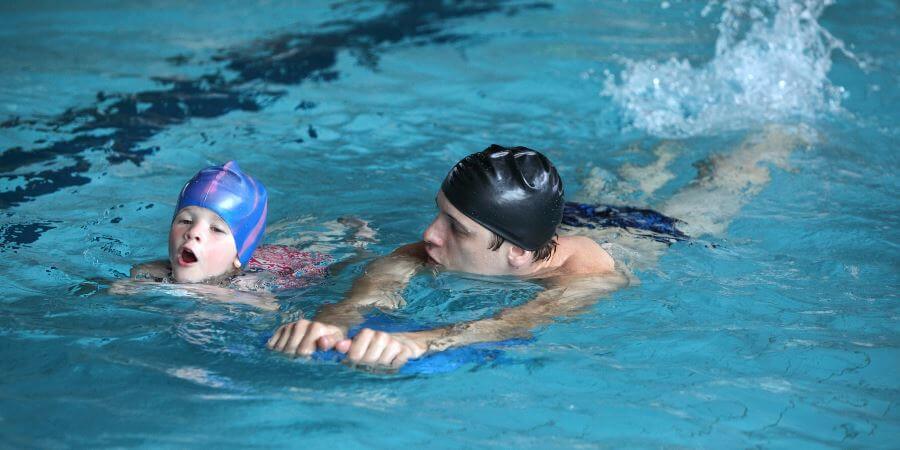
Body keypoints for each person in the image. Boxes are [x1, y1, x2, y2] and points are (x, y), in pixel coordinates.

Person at [268, 127, 804, 369]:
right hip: (562, 218)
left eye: (455, 228)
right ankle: (660, 146)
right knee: (645, 164)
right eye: (438, 213)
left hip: (649, 230)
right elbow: (375, 288)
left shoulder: (586, 277)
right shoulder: (458, 244)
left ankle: (775, 134)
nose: (430, 235)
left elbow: (511, 324)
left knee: (723, 184)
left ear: (518, 255)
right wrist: (332, 322)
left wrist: (417, 344)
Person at [114, 161, 330, 309]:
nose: (193, 232)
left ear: (239, 255)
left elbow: (268, 308)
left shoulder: (249, 286)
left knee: (326, 241)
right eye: (185, 220)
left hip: (300, 262)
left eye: (216, 229)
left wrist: (200, 293)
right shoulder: (151, 272)